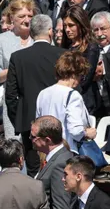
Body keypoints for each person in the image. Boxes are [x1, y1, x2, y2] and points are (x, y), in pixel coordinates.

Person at [5, 14, 66, 173]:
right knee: (60, 171)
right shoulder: (63, 55)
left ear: (31, 34)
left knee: (34, 172)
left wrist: (20, 119)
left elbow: (11, 96)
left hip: (29, 125)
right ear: (51, 32)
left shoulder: (18, 57)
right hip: (58, 124)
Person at [35, 51, 96, 153]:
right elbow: (75, 131)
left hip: (46, 151)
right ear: (74, 74)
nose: (81, 80)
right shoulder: (72, 95)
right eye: (81, 76)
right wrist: (87, 133)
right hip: (66, 150)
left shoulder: (43, 93)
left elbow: (38, 125)